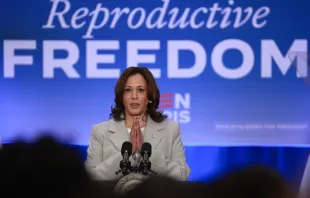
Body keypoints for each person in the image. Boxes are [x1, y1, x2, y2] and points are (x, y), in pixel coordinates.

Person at [85, 66, 190, 181]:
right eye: (128, 90)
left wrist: (149, 156)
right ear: (122, 96)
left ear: (149, 96)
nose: (134, 96)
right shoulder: (100, 131)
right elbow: (90, 178)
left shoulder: (171, 129)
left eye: (140, 90)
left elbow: (181, 175)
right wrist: (125, 156)